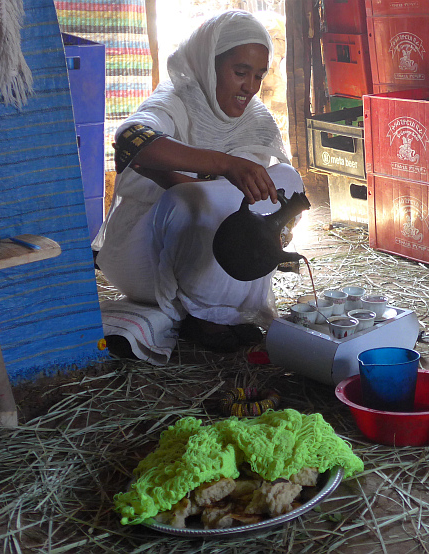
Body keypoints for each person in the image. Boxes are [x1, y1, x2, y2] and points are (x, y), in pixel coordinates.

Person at [92, 10, 306, 359]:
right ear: (209, 63)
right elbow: (130, 139)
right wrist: (222, 165)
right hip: (143, 256)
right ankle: (203, 316)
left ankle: (229, 310)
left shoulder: (254, 119)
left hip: (213, 250)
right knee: (191, 199)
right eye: (240, 73)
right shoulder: (175, 101)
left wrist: (278, 224)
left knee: (284, 181)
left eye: (258, 75)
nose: (250, 87)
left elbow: (247, 195)